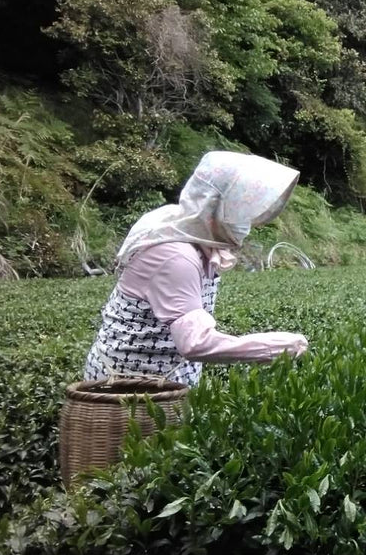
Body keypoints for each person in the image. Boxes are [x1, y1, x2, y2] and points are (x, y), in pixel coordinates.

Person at [84, 151, 310, 387]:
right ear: (212, 206)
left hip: (167, 376)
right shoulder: (175, 255)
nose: (246, 223)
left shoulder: (188, 229)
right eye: (237, 212)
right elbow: (195, 343)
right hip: (128, 385)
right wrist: (276, 347)